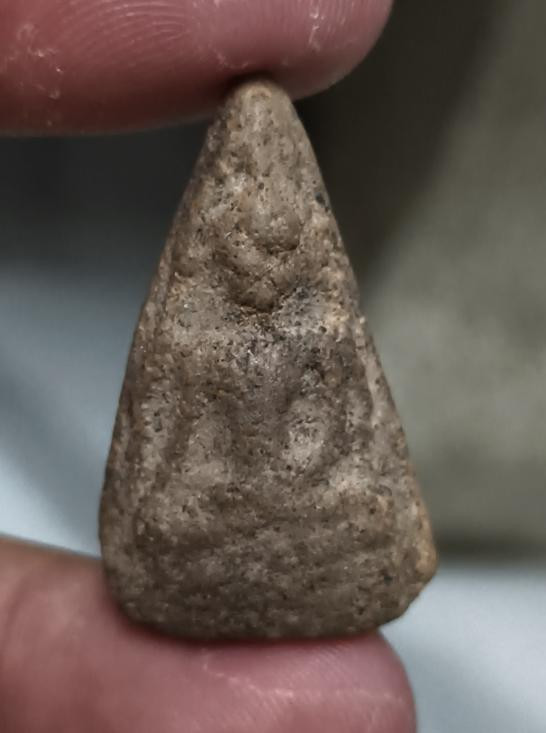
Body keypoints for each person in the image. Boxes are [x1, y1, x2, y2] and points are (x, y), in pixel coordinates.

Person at [0, 1, 415, 731]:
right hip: (213, 510)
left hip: (304, 505)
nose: (261, 258)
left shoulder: (311, 332)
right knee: (171, 523)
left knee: (357, 510)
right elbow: (169, 459)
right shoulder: (200, 340)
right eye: (245, 242)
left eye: (278, 243)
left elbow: (346, 437)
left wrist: (311, 478)